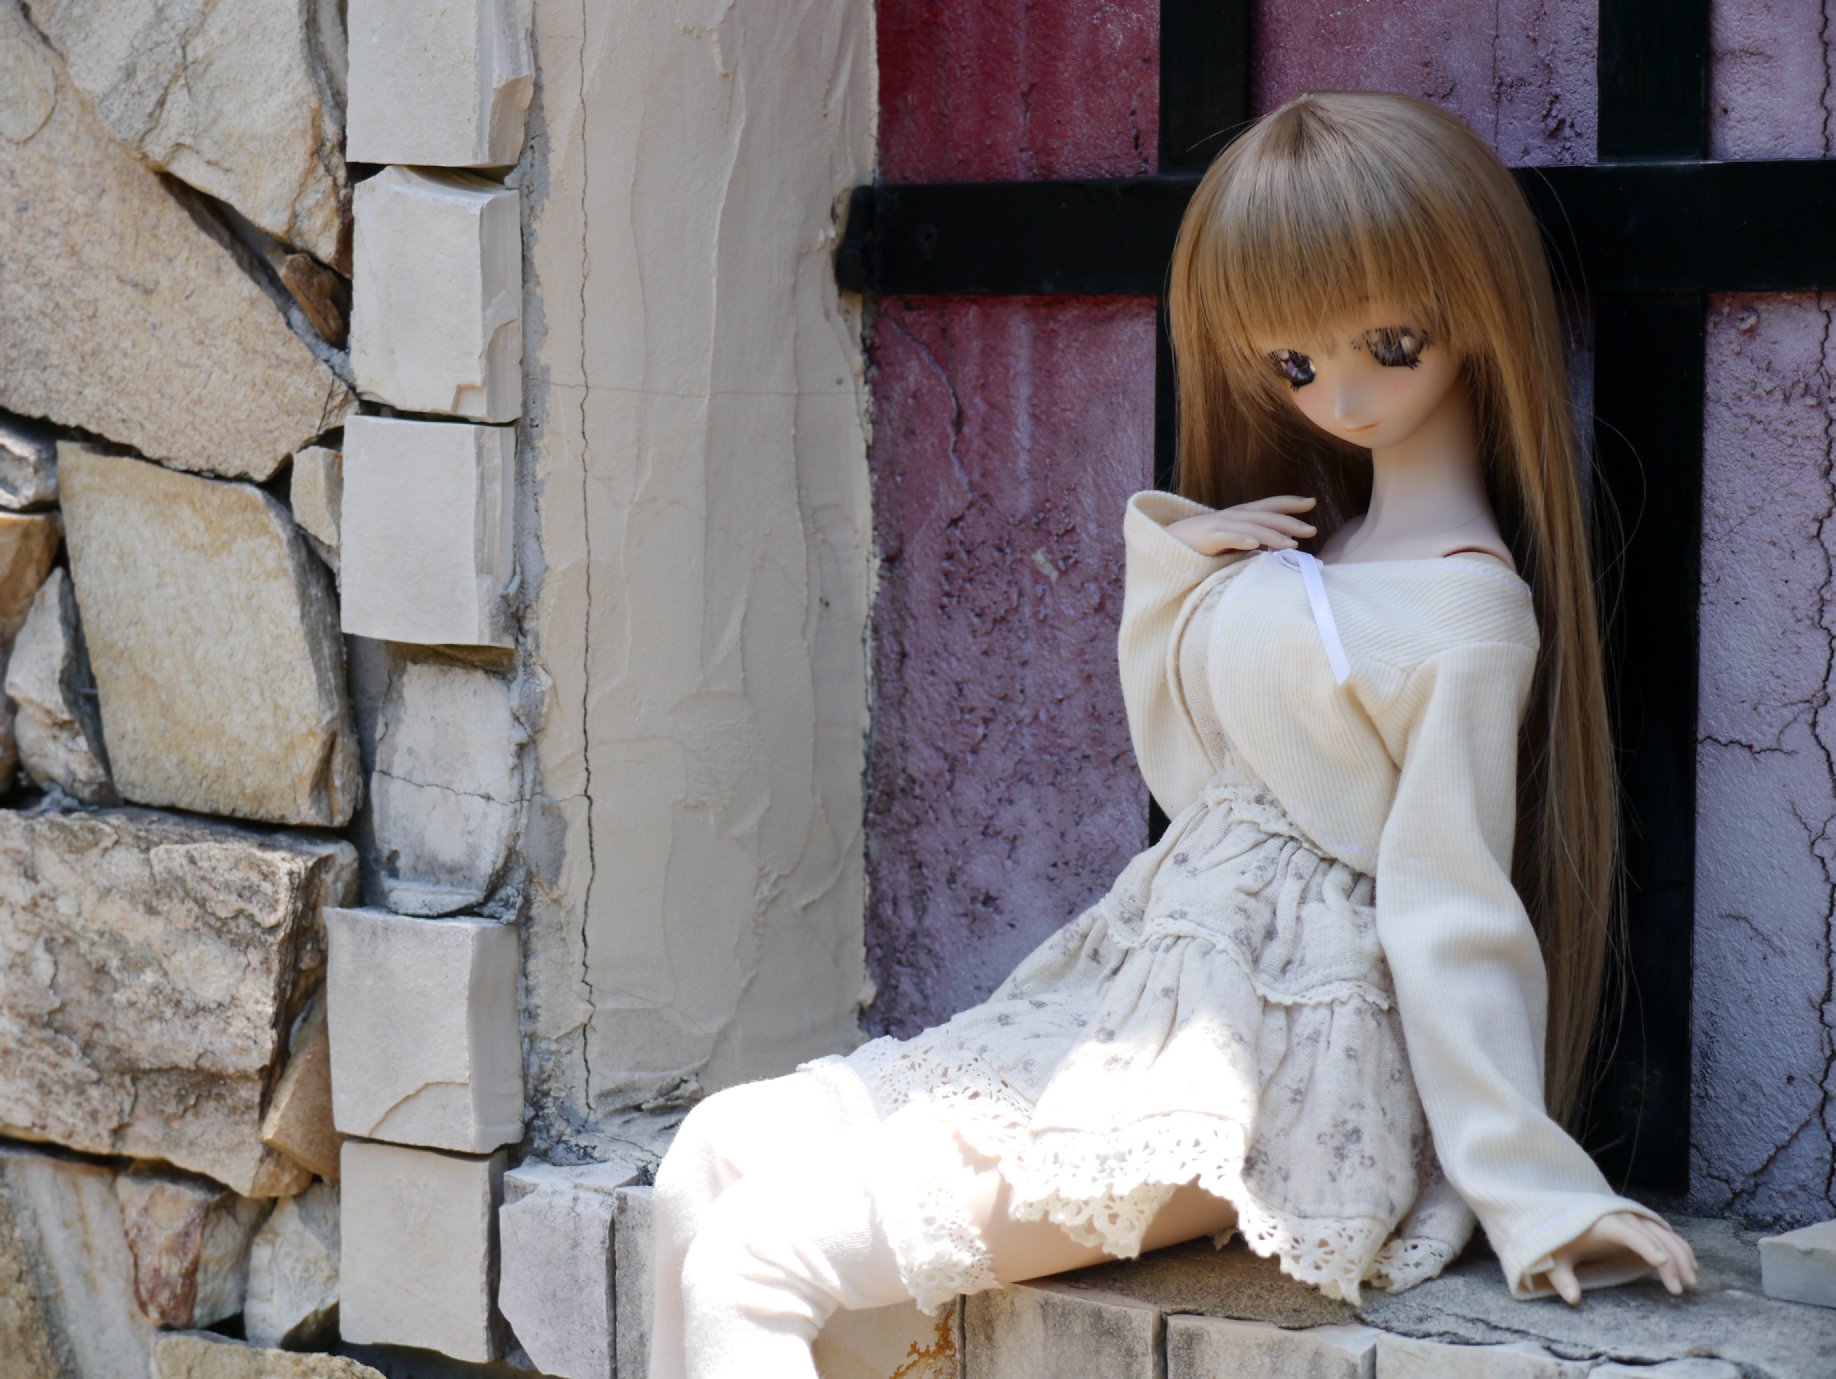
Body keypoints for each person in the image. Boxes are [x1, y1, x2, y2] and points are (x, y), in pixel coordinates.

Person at [647, 89, 1700, 1379]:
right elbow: (1195, 777)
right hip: (1157, 987)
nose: (1341, 393)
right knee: (710, 1156)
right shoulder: (1332, 545)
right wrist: (1185, 574)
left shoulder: (1468, 613)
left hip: (1283, 1064)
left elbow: (1452, 904)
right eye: (1296, 364)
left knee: (757, 1258)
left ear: (1475, 311)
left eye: (1389, 343)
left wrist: (1534, 1188)